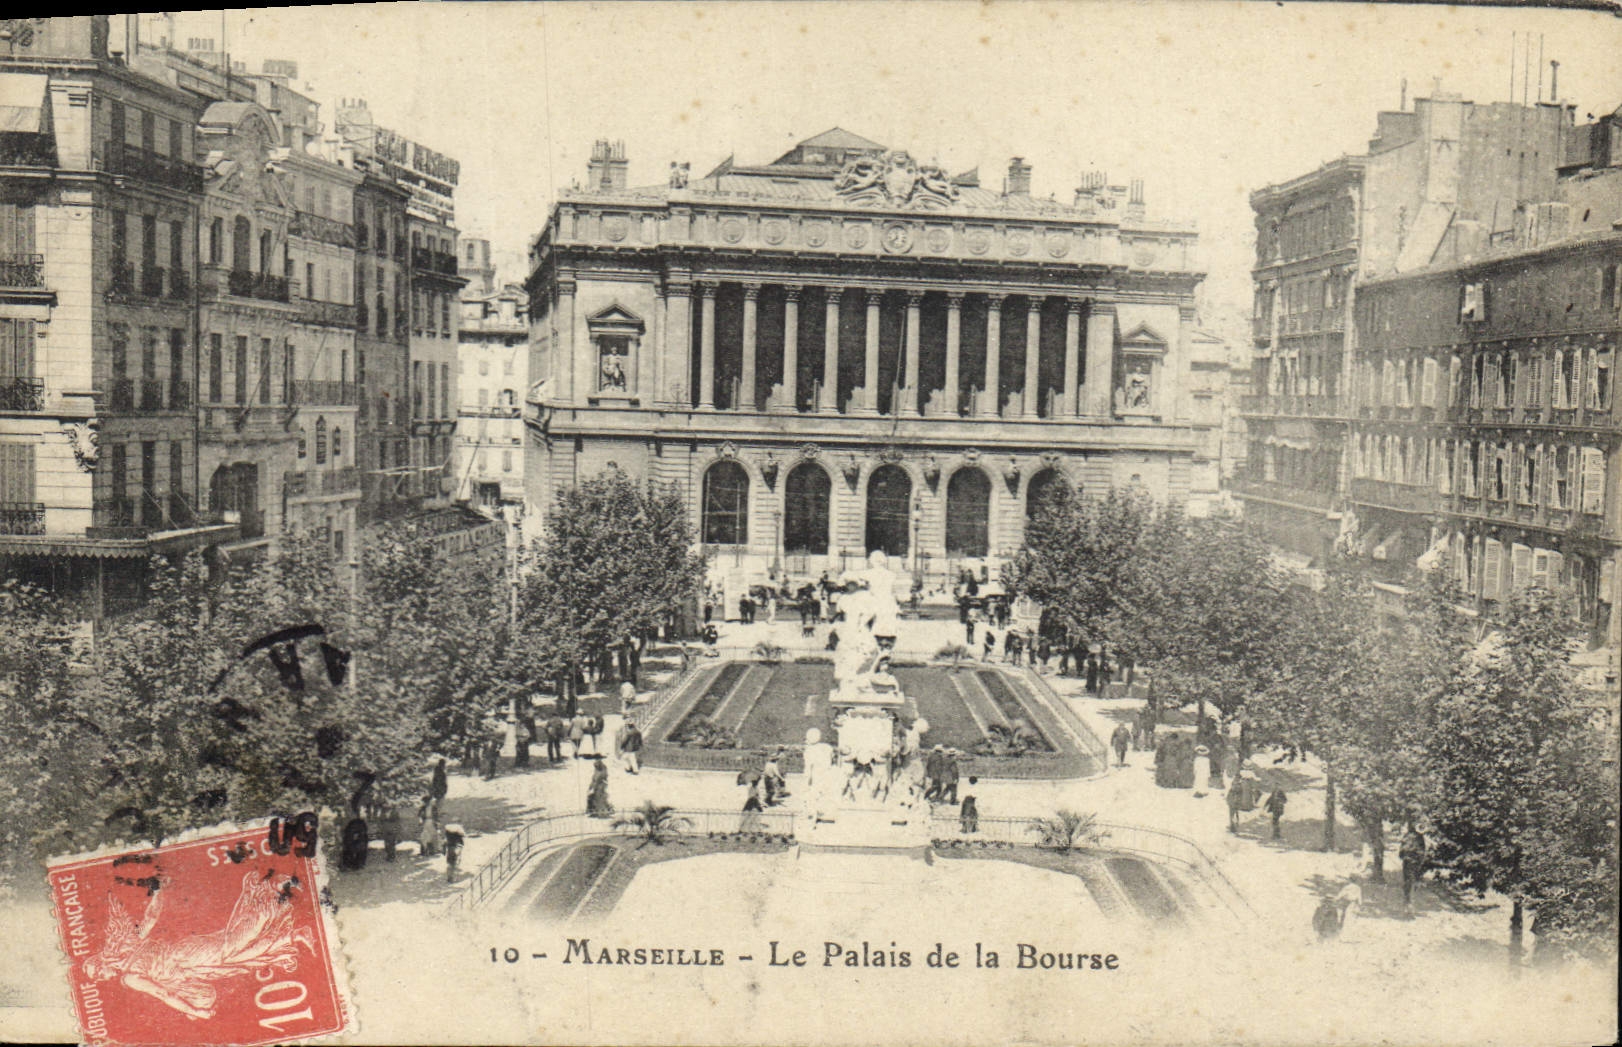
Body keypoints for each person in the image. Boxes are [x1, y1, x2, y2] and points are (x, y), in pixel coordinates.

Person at [1399, 825, 1427, 906]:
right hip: (1415, 862)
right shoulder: (1419, 837)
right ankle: (1412, 900)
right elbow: (1422, 851)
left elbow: (1401, 851)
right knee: (1414, 879)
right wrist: (1420, 861)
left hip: (1407, 861)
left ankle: (1407, 899)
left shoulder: (1406, 836)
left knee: (1407, 880)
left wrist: (1403, 856)